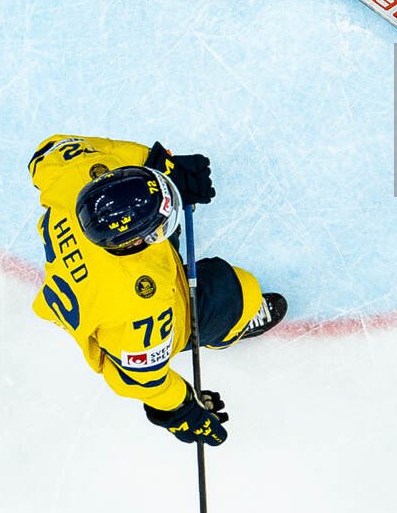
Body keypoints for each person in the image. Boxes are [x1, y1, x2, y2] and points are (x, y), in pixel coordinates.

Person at [29, 134, 287, 446]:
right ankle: (230, 328)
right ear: (135, 241)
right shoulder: (142, 305)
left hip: (94, 281)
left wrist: (158, 166)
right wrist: (178, 407)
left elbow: (49, 150)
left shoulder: (76, 177)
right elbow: (138, 378)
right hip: (122, 309)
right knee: (240, 292)